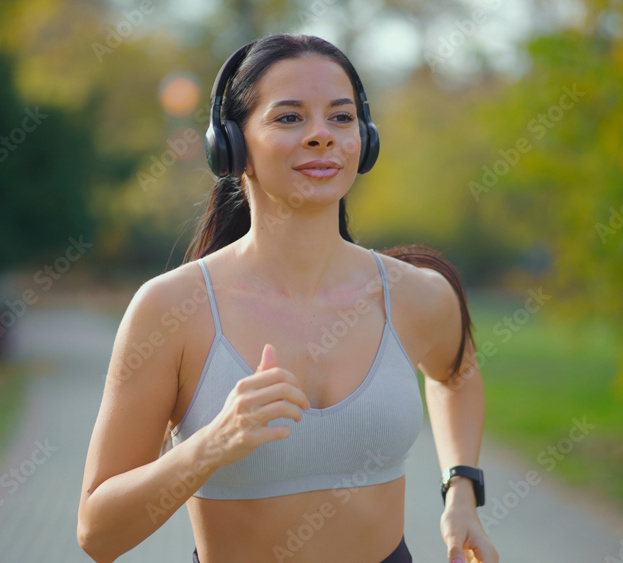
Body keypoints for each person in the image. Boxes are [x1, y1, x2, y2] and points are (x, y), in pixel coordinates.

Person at [77, 33, 498, 563]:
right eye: (290, 118)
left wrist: (461, 490)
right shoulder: (171, 310)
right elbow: (98, 534)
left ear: (364, 141)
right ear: (231, 146)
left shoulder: (415, 296)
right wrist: (211, 444)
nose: (322, 136)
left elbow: (455, 374)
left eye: (341, 118)